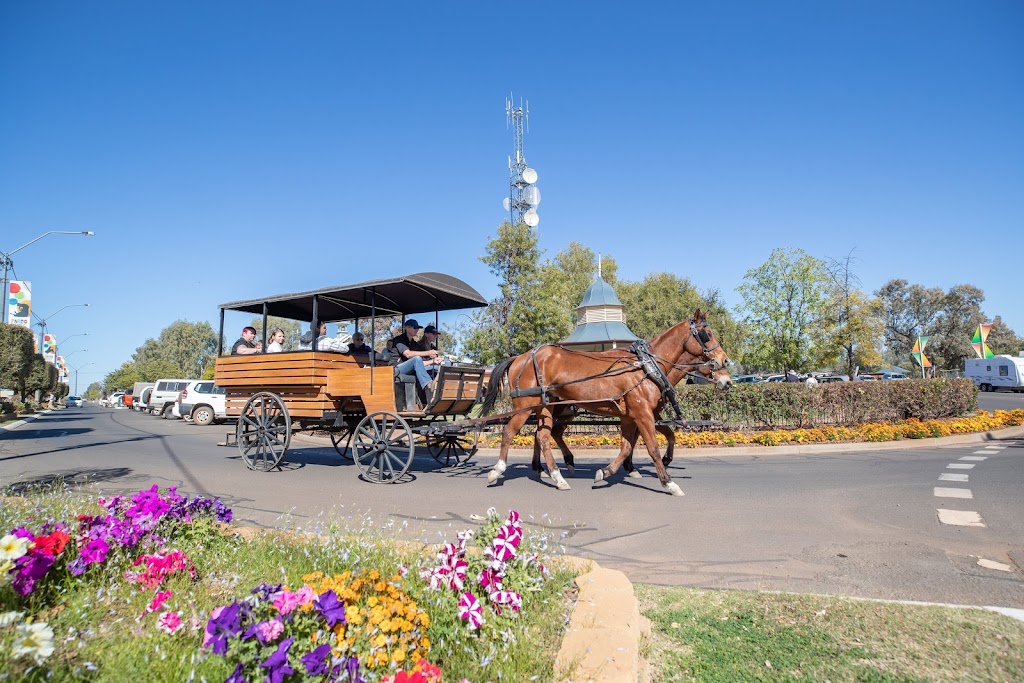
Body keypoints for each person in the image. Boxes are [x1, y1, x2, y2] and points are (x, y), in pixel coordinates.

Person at [390, 319, 439, 399]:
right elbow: (408, 354)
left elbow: (419, 363)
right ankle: (429, 385)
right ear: (407, 328)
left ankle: (433, 397)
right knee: (416, 359)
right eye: (415, 328)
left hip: (409, 369)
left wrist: (433, 361)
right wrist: (428, 353)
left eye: (418, 328)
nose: (417, 330)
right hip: (395, 369)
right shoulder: (399, 340)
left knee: (435, 368)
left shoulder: (414, 343)